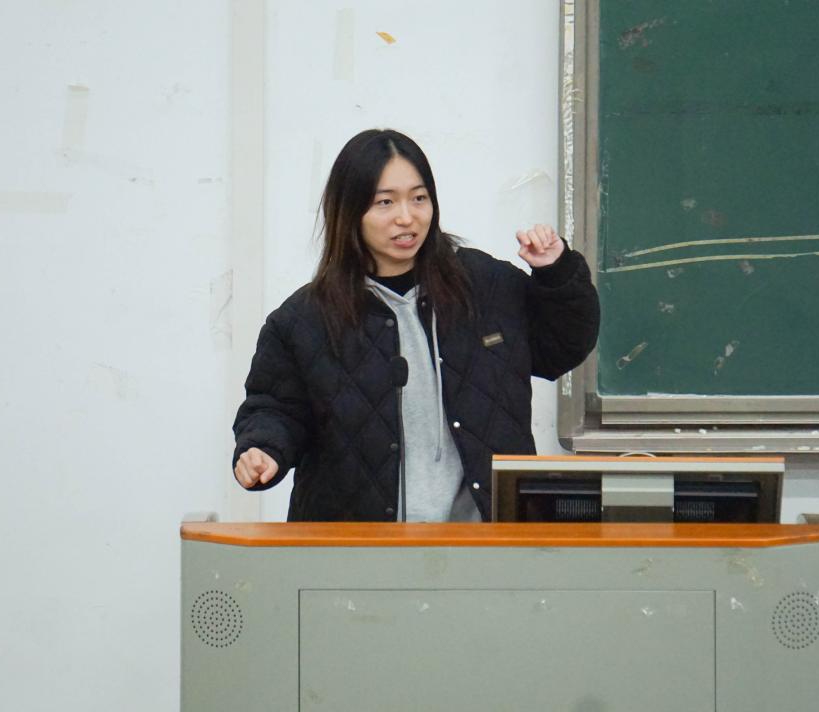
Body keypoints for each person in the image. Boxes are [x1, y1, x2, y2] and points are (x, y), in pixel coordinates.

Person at [232, 129, 599, 521]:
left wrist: (557, 274)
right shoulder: (305, 319)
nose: (406, 217)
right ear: (349, 210)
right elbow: (275, 408)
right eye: (385, 202)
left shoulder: (485, 285)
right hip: (359, 547)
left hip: (486, 539)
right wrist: (262, 448)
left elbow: (560, 347)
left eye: (419, 198)